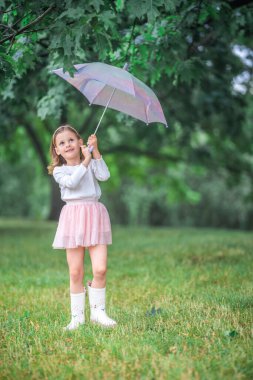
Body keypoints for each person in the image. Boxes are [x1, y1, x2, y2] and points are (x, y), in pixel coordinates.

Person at [47, 124, 117, 331]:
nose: (67, 144)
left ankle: (98, 312)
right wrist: (86, 160)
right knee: (76, 271)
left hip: (95, 215)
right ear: (57, 150)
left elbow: (104, 176)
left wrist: (95, 152)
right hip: (73, 217)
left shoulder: (91, 160)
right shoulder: (60, 171)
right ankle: (77, 318)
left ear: (79, 143)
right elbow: (72, 182)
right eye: (61, 143)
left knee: (100, 269)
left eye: (71, 140)